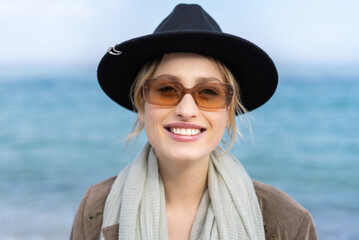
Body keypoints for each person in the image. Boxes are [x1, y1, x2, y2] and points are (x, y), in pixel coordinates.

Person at [71, 4, 317, 240]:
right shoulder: (95, 207)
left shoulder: (287, 221)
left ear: (228, 111)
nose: (186, 110)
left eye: (209, 92)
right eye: (166, 89)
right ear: (142, 106)